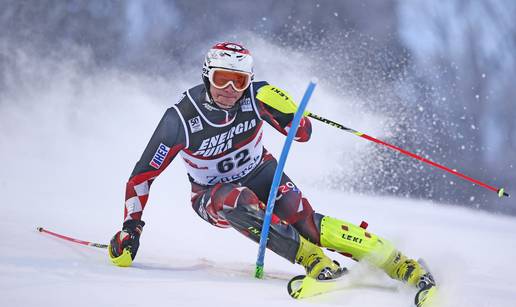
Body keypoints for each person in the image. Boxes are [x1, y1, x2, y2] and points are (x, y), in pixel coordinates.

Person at [108, 42, 436, 306]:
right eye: (221, 78)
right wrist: (130, 229)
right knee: (237, 199)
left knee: (307, 222)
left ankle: (404, 265)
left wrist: (292, 113)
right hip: (212, 194)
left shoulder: (256, 97)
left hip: (263, 173)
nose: (229, 89)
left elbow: (303, 133)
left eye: (239, 81)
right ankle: (315, 262)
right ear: (207, 75)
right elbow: (142, 177)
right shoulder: (179, 119)